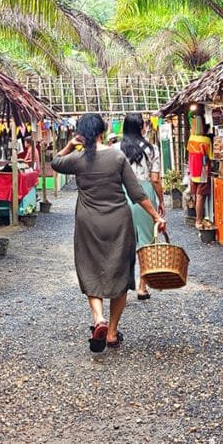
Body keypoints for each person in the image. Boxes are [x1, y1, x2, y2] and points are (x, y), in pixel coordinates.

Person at [52, 113, 165, 353]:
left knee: (90, 268)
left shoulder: (78, 158)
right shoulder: (116, 155)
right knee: (120, 273)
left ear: (82, 134)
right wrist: (156, 216)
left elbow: (55, 162)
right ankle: (112, 332)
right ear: (103, 130)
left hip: (88, 223)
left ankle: (98, 319)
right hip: (118, 222)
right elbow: (137, 193)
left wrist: (71, 144)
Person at [114, 113, 165, 301]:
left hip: (120, 193)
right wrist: (160, 201)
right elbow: (155, 179)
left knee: (121, 242)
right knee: (146, 241)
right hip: (144, 194)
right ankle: (142, 287)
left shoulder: (115, 148)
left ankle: (120, 288)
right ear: (141, 127)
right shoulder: (152, 149)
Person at [187, 115, 212, 229]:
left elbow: (189, 153)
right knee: (200, 196)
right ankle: (198, 220)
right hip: (203, 171)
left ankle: (196, 218)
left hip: (193, 170)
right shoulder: (206, 140)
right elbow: (211, 156)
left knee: (196, 195)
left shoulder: (191, 139)